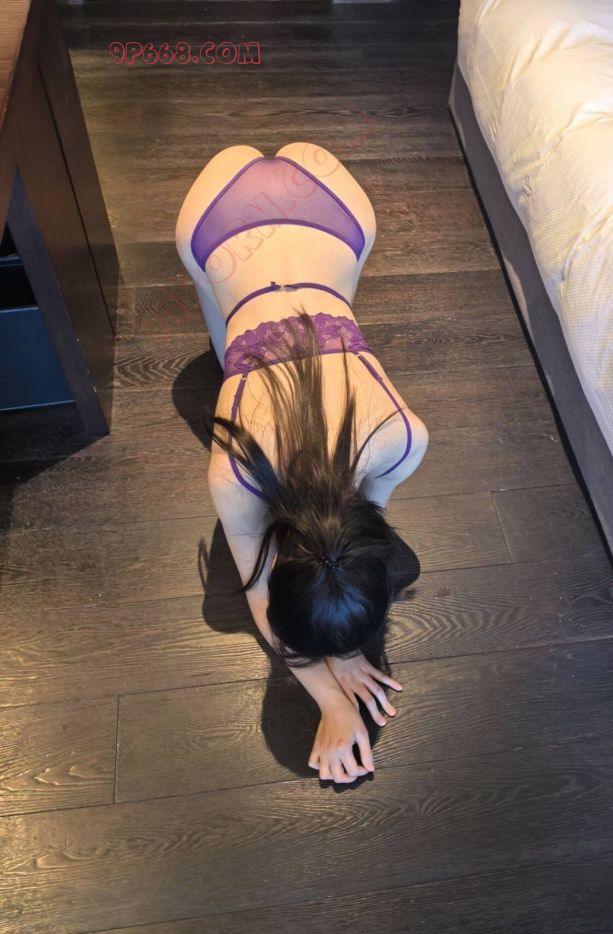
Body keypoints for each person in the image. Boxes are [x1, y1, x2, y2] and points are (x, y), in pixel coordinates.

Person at [175, 142, 429, 785]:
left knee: (228, 337)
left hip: (314, 208)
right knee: (229, 341)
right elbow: (262, 583)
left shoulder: (402, 438)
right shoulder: (237, 474)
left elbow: (345, 540)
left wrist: (339, 648)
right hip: (240, 219)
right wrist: (329, 690)